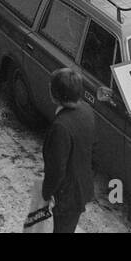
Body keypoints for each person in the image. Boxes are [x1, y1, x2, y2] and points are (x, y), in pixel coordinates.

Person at [41, 68, 96, 234]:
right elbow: (93, 149)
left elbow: (57, 168)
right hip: (81, 187)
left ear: (56, 94)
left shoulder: (61, 126)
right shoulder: (87, 111)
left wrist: (47, 192)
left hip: (67, 195)